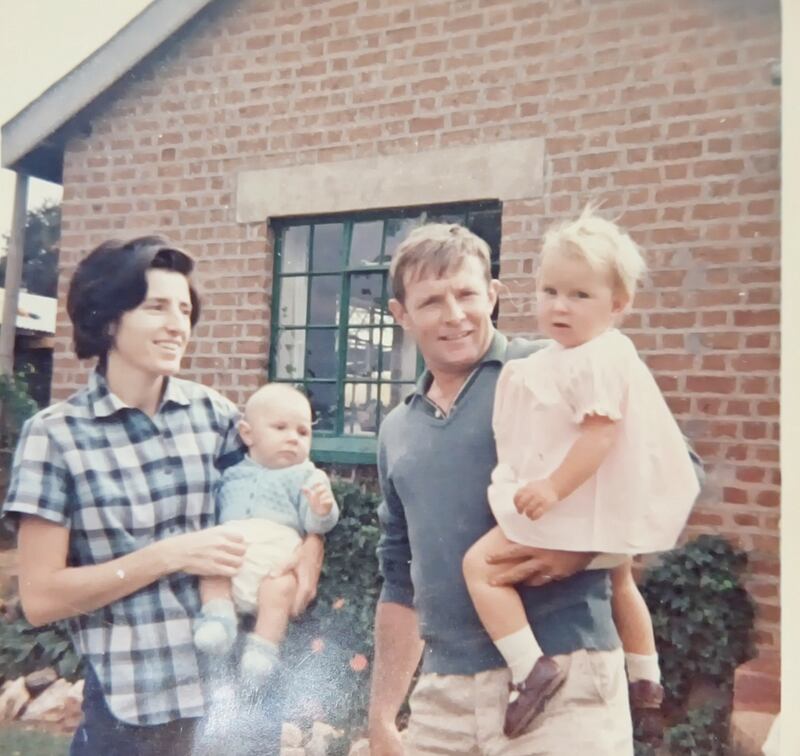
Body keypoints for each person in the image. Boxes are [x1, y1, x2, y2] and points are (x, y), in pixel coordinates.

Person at [2, 236, 324, 756]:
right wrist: (168, 556)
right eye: (156, 307)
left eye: (184, 308)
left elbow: (292, 489)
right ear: (108, 319)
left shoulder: (216, 417)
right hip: (134, 711)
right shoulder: (56, 436)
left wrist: (310, 552)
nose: (178, 323)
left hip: (234, 700)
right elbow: (40, 598)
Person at [369, 223, 635, 755]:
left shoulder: (555, 364)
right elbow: (400, 580)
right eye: (431, 302)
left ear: (492, 295)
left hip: (565, 674)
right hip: (442, 697)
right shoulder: (397, 430)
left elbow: (669, 469)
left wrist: (578, 550)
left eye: (467, 294)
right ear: (401, 316)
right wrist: (380, 714)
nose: (454, 315)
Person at [462, 208, 699, 739]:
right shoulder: (559, 358)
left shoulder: (596, 357)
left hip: (572, 506)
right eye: (549, 291)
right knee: (619, 579)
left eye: (579, 295)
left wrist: (549, 486)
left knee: (479, 567)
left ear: (618, 305)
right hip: (599, 513)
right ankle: (646, 678)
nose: (559, 306)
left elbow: (600, 435)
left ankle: (530, 668)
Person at [193, 383, 339, 685]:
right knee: (211, 571)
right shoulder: (230, 475)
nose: (292, 438)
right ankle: (218, 621)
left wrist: (322, 509)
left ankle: (262, 649)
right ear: (248, 435)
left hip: (276, 559)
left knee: (281, 589)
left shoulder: (307, 475)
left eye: (302, 432)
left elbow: (317, 526)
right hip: (233, 553)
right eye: (280, 428)